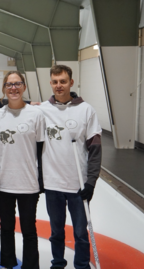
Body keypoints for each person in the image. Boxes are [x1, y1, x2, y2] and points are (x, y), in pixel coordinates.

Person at [38, 65, 102, 269]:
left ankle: (82, 265)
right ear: (51, 83)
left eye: (63, 81)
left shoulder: (86, 110)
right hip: (52, 183)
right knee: (56, 231)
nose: (59, 86)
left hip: (78, 185)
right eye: (55, 82)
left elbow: (95, 150)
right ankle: (58, 263)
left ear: (71, 83)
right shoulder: (42, 111)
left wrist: (91, 182)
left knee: (81, 232)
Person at [0, 71, 45, 269]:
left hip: (28, 183)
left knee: (29, 230)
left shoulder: (36, 114)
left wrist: (42, 180)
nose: (13, 88)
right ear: (4, 89)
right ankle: (8, 264)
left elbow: (41, 149)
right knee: (6, 228)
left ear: (23, 87)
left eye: (17, 84)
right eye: (9, 84)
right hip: (3, 182)